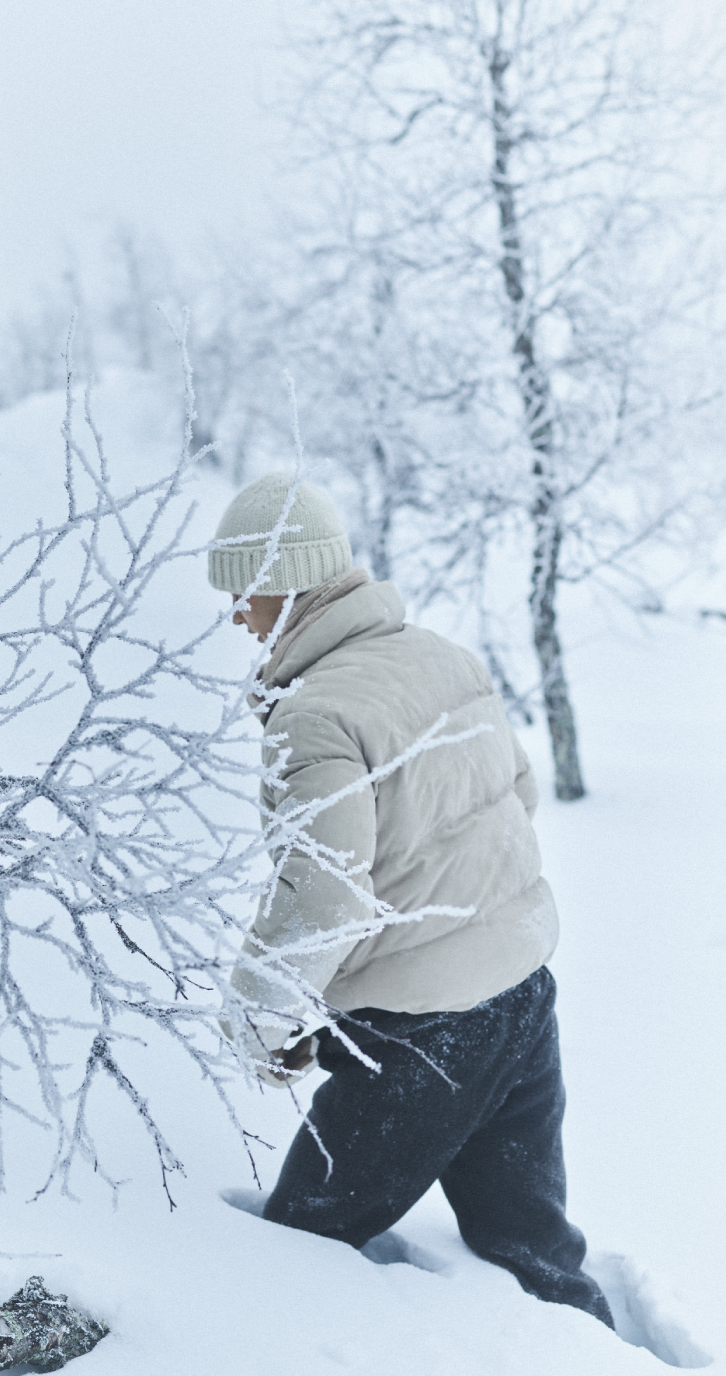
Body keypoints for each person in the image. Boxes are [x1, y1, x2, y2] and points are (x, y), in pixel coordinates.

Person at [209, 471, 612, 1326]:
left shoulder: (313, 714)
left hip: (419, 1037)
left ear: (292, 585)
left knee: (297, 1247)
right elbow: (516, 799)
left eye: (245, 590)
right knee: (529, 1242)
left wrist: (260, 1020)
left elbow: (322, 893)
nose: (235, 614)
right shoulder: (440, 657)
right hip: (521, 994)